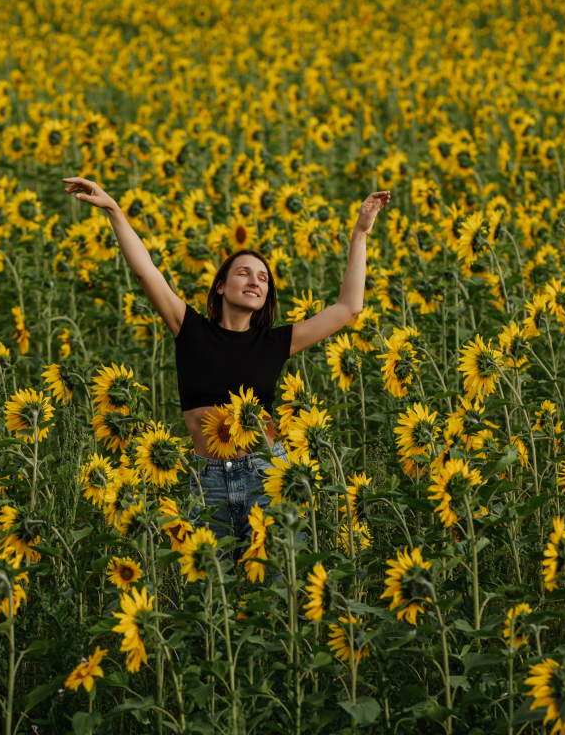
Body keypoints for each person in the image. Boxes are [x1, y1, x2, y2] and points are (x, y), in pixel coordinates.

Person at [63, 176, 388, 575]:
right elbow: (146, 270)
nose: (255, 281)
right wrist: (114, 210)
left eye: (263, 278)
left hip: (266, 476)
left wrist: (360, 232)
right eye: (244, 273)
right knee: (209, 602)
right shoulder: (189, 329)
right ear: (220, 285)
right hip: (206, 482)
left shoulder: (275, 342)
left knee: (279, 594)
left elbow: (349, 307)